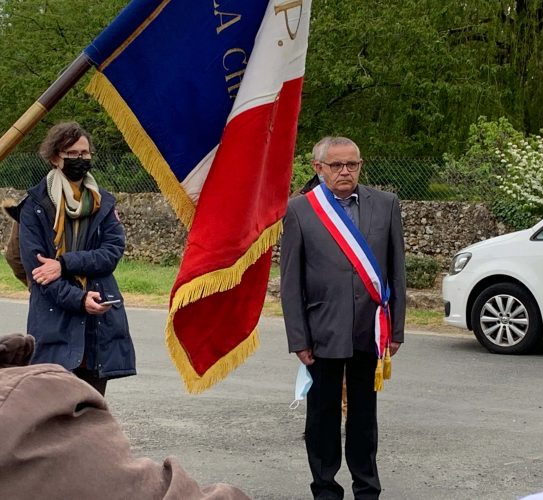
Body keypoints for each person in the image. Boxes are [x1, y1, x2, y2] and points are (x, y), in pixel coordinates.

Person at [280, 136, 406, 499]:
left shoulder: (385, 205)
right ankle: (325, 488)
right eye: (336, 165)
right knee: (322, 418)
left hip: (372, 330)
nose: (346, 171)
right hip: (322, 331)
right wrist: (298, 339)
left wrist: (395, 329)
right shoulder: (300, 210)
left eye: (352, 164)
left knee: (365, 418)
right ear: (319, 168)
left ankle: (367, 488)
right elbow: (291, 282)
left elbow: (397, 273)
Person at [0, 333, 249, 499]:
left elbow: (111, 253)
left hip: (94, 331)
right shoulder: (25, 411)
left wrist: (65, 270)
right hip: (60, 328)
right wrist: (72, 295)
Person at [19, 121, 136, 396]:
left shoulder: (104, 203)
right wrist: (78, 299)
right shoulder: (34, 206)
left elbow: (111, 254)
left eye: (85, 153)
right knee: (52, 414)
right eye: (72, 153)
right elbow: (38, 272)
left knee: (90, 412)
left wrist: (64, 264)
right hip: (53, 319)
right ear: (55, 157)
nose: (80, 159)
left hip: (99, 321)